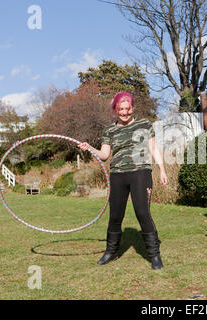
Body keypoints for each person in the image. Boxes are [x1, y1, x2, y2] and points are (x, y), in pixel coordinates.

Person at [79, 92, 168, 270]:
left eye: (127, 109)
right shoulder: (109, 130)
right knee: (115, 216)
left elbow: (153, 148)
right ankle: (111, 252)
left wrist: (162, 169)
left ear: (132, 108)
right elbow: (104, 155)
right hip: (118, 174)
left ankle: (154, 255)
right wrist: (90, 148)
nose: (125, 113)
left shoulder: (144, 124)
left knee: (143, 213)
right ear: (115, 110)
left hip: (140, 173)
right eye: (121, 109)